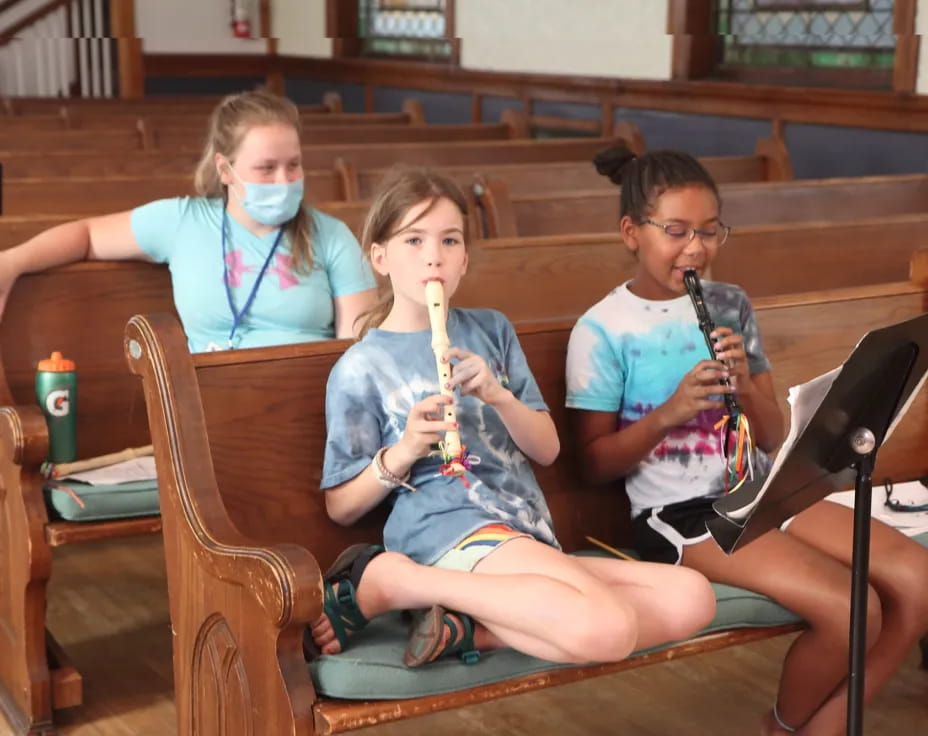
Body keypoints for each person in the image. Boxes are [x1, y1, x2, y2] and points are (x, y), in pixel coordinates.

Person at [569, 146, 928, 735]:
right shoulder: (603, 329)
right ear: (631, 232)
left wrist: (747, 386)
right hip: (681, 514)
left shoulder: (729, 304)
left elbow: (772, 434)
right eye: (677, 232)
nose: (696, 249)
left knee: (914, 576)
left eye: (710, 233)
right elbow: (593, 465)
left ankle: (826, 726)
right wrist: (671, 412)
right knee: (848, 606)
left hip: (762, 488)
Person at [307, 166, 715, 669]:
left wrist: (498, 395)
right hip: (447, 531)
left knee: (693, 597)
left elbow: (547, 449)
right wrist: (405, 450)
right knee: (610, 627)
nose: (433, 255)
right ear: (380, 257)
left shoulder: (491, 330)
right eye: (413, 239)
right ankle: (395, 582)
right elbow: (340, 507)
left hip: (524, 532)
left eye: (449, 240)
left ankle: (467, 628)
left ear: (463, 260)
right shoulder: (360, 367)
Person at [0, 89, 376, 351]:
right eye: (266, 168)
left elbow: (356, 356)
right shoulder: (182, 222)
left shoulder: (331, 236)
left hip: (312, 408)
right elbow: (86, 235)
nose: (284, 180)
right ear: (225, 169)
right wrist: (11, 263)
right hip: (211, 409)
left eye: (293, 165)